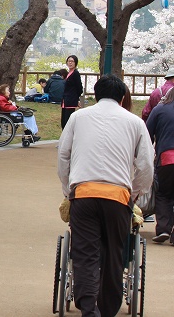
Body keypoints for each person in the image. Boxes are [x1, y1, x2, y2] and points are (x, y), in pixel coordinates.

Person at [57, 74, 154, 317]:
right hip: (118, 196)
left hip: (84, 193)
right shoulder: (134, 122)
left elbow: (63, 154)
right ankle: (108, 309)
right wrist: (135, 193)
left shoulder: (78, 117)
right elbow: (146, 165)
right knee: (114, 254)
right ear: (122, 98)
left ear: (95, 94)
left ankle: (89, 309)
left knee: (85, 253)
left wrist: (68, 188)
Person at [144, 87, 174, 244]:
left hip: (167, 157)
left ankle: (163, 229)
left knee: (164, 193)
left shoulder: (160, 109)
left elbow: (146, 133)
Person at [62, 55, 83, 130]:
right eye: (69, 61)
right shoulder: (68, 73)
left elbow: (79, 87)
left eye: (72, 61)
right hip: (65, 100)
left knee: (68, 122)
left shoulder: (75, 73)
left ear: (75, 63)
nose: (70, 63)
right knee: (63, 122)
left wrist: (77, 98)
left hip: (71, 100)